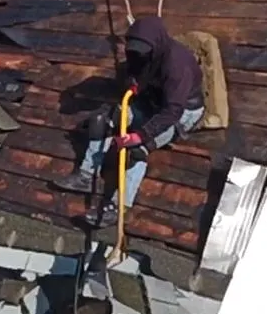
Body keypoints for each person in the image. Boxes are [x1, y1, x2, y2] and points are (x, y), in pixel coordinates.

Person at [52, 15, 205, 226]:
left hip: (180, 112)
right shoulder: (138, 51)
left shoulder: (178, 66)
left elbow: (172, 111)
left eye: (142, 52)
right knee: (102, 121)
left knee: (137, 151)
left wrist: (140, 135)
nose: (136, 54)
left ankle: (116, 207)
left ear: (156, 45)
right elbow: (133, 70)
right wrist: (134, 82)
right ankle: (86, 175)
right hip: (151, 100)